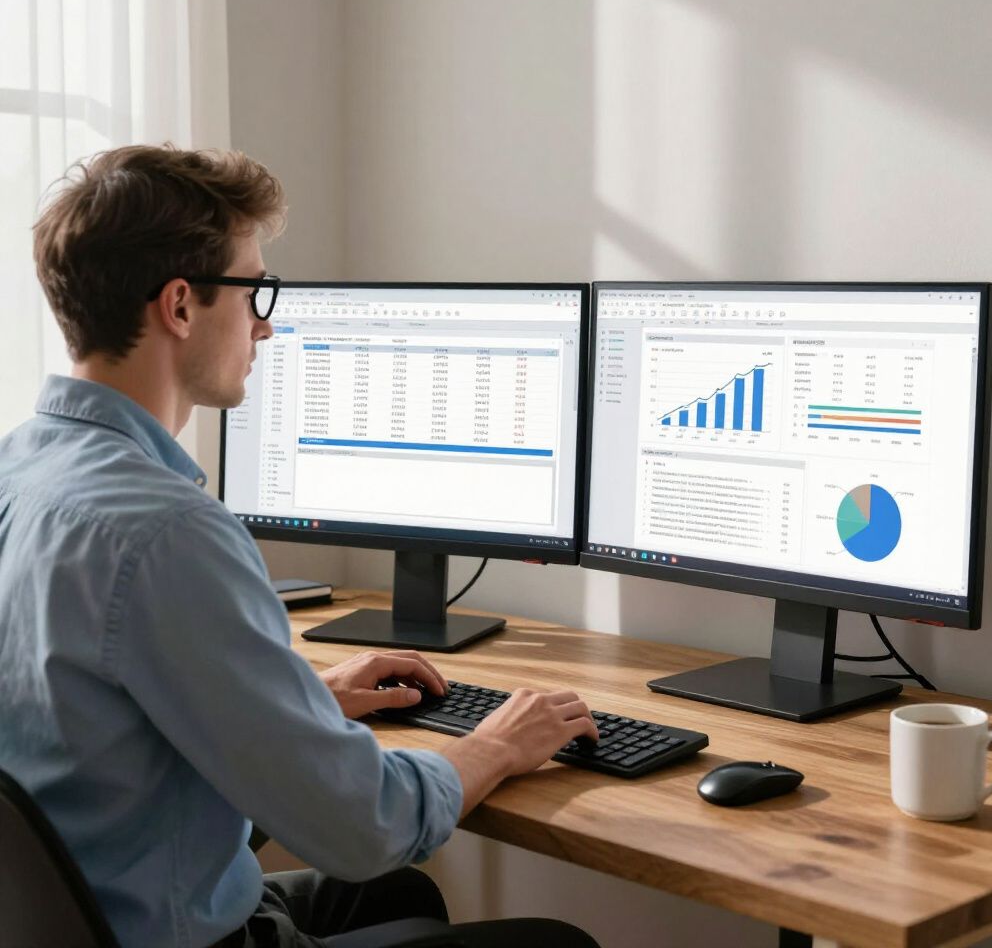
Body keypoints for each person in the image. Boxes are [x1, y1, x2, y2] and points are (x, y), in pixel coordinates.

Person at [0, 145, 601, 948]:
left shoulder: (18, 471)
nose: (266, 323)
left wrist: (300, 704)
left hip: (87, 909)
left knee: (395, 896)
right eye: (255, 291)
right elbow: (364, 829)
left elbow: (95, 720)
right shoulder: (169, 531)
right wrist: (495, 746)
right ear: (180, 306)